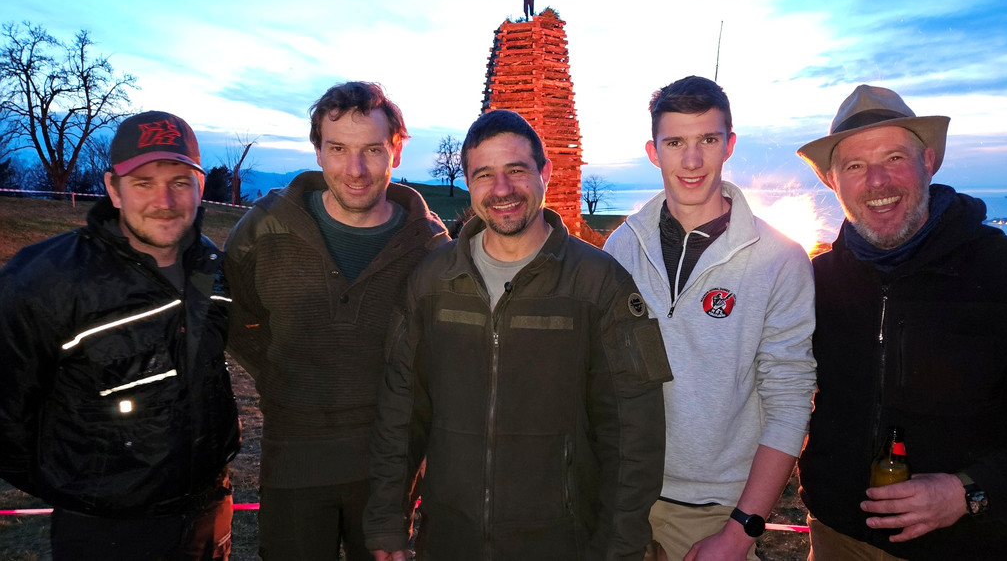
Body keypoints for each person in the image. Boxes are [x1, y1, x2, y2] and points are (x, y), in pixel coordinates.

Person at [363, 109, 672, 560]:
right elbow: (400, 411)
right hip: (450, 539)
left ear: (545, 173)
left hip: (560, 542)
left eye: (516, 170)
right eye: (484, 175)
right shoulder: (432, 280)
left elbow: (634, 435)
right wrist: (386, 521)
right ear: (468, 183)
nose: (502, 189)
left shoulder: (600, 284)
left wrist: (619, 549)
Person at [796, 84, 1007, 560]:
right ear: (833, 182)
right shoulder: (815, 282)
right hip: (836, 537)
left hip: (969, 545)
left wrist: (970, 491)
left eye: (894, 157)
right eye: (855, 166)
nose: (877, 182)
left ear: (929, 162)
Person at [0, 111, 240, 560]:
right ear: (113, 188)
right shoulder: (44, 281)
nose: (164, 200)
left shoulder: (212, 267)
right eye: (143, 183)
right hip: (107, 533)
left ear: (200, 186)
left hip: (208, 511)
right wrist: (85, 490)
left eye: (180, 182)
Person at [224, 81, 449, 560]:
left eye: (372, 149)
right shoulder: (265, 228)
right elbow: (236, 316)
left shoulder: (430, 247)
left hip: (388, 466)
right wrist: (282, 376)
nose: (355, 169)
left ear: (396, 151)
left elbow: (441, 351)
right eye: (339, 149)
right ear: (318, 152)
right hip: (293, 456)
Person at [604, 76, 817, 561]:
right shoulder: (622, 247)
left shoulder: (780, 259)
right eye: (675, 142)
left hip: (716, 509)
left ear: (730, 145)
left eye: (708, 139)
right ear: (653, 152)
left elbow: (788, 400)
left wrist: (740, 531)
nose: (692, 160)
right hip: (620, 494)